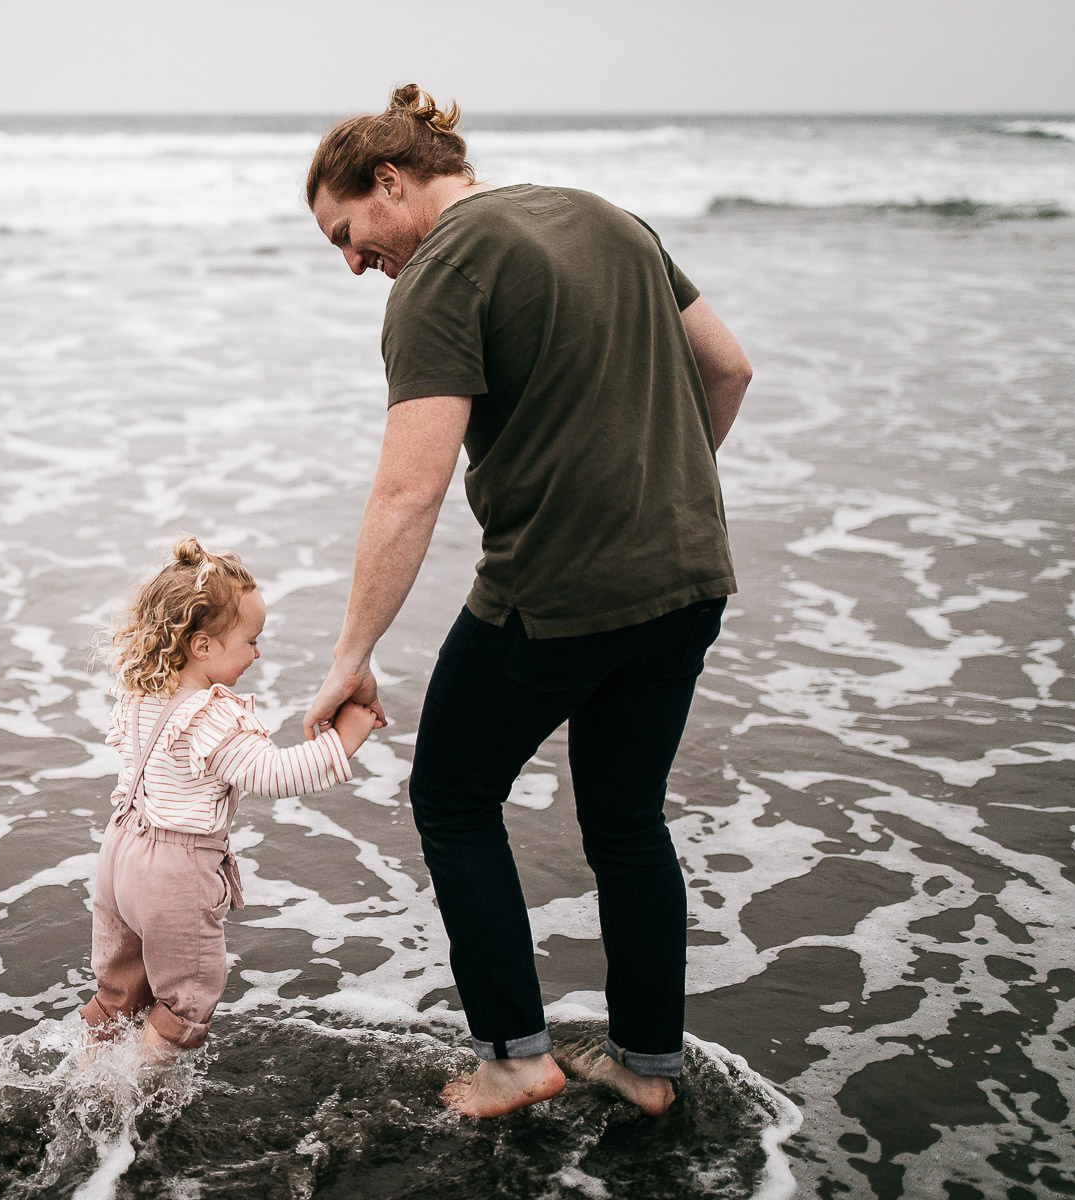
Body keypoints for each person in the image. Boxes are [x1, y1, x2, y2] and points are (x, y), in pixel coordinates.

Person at [299, 85, 753, 1119]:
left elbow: (409, 488)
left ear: (390, 179)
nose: (352, 262)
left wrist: (349, 654)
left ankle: (514, 1055)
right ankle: (645, 1065)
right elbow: (728, 367)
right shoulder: (607, 218)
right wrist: (654, 500)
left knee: (454, 798)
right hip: (686, 578)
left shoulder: (443, 272)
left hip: (555, 595)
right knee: (629, 821)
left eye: (347, 234)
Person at [79, 535, 380, 1055]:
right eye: (251, 640)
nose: (258, 653)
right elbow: (276, 774)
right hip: (174, 871)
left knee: (117, 994)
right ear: (203, 646)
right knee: (185, 1003)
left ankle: (83, 1078)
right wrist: (348, 735)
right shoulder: (214, 714)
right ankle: (132, 1104)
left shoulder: (139, 693)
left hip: (118, 855)